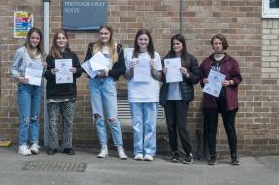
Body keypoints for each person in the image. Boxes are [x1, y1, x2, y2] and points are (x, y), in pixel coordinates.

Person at [84, 24, 127, 159]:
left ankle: (119, 147)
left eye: (106, 34)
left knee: (112, 117)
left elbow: (122, 69)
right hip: (95, 83)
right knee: (98, 116)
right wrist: (93, 71)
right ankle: (104, 147)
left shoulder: (118, 48)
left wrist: (108, 72)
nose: (103, 36)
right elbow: (86, 65)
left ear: (110, 34)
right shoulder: (92, 47)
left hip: (108, 82)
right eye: (101, 33)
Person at [200, 34, 242, 165]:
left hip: (227, 99)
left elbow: (238, 78)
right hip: (210, 99)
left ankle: (234, 156)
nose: (217, 45)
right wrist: (203, 80)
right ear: (212, 45)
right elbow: (200, 78)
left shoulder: (231, 61)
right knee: (211, 129)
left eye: (219, 43)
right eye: (215, 43)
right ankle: (212, 156)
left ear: (223, 45)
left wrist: (229, 82)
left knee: (230, 128)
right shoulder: (206, 62)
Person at [159, 34, 200, 164]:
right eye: (174, 44)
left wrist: (187, 73)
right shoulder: (166, 59)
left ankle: (188, 153)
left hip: (182, 98)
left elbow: (196, 78)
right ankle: (175, 153)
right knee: (171, 127)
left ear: (183, 44)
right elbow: (161, 78)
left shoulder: (190, 59)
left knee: (181, 127)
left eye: (178, 44)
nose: (176, 46)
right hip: (169, 98)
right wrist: (163, 73)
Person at [124, 29, 162, 161]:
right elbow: (127, 76)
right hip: (135, 94)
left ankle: (149, 152)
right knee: (137, 124)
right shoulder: (130, 54)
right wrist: (131, 67)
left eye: (145, 39)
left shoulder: (155, 55)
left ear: (149, 41)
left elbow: (159, 76)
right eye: (140, 39)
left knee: (150, 125)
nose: (143, 42)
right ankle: (138, 151)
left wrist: (153, 68)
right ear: (137, 40)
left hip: (151, 94)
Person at [44, 29, 82, 155]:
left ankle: (67, 146)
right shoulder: (50, 57)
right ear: (55, 41)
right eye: (58, 38)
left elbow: (80, 72)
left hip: (69, 94)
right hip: (53, 94)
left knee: (68, 122)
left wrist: (75, 70)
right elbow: (45, 74)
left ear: (67, 40)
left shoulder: (73, 56)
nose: (61, 40)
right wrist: (51, 72)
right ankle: (53, 146)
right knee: (53, 122)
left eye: (63, 38)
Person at [11, 27, 46, 156]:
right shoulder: (21, 51)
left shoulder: (42, 54)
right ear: (29, 38)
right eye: (33, 37)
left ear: (40, 40)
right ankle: (22, 145)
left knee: (35, 117)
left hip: (37, 88)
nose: (35, 40)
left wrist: (44, 68)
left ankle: (34, 143)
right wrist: (19, 78)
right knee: (25, 118)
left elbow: (43, 73)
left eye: (37, 38)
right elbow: (13, 69)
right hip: (25, 88)